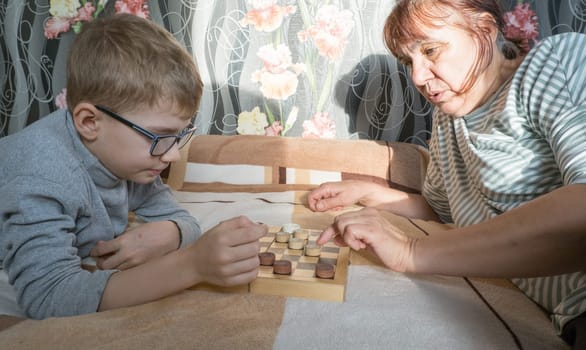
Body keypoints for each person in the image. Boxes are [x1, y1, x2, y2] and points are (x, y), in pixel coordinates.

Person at [308, 0, 585, 347]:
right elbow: (442, 209)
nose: (418, 77)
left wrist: (410, 252)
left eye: (431, 50)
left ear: (484, 30)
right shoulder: (447, 121)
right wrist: (371, 194)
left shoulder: (555, 63)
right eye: (409, 61)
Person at [0, 14, 266, 320]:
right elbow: (49, 298)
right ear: (89, 122)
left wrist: (171, 232)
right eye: (159, 137)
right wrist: (191, 265)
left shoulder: (129, 159)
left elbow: (181, 219)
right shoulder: (42, 174)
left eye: (178, 137)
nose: (173, 157)